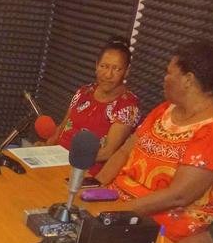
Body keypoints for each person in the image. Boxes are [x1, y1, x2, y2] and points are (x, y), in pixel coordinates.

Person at [95, 41, 213, 242]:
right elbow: (124, 151)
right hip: (114, 208)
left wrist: (114, 213)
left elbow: (178, 196)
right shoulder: (164, 110)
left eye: (169, 73)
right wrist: (93, 189)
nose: (164, 78)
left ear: (188, 79)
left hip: (156, 231)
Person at [36, 37, 140, 176]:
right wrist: (46, 149)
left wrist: (70, 159)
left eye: (116, 69)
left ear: (126, 71)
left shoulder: (128, 106)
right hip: (55, 161)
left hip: (85, 171)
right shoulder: (84, 91)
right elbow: (62, 128)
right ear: (96, 65)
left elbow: (107, 152)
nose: (108, 74)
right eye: (104, 66)